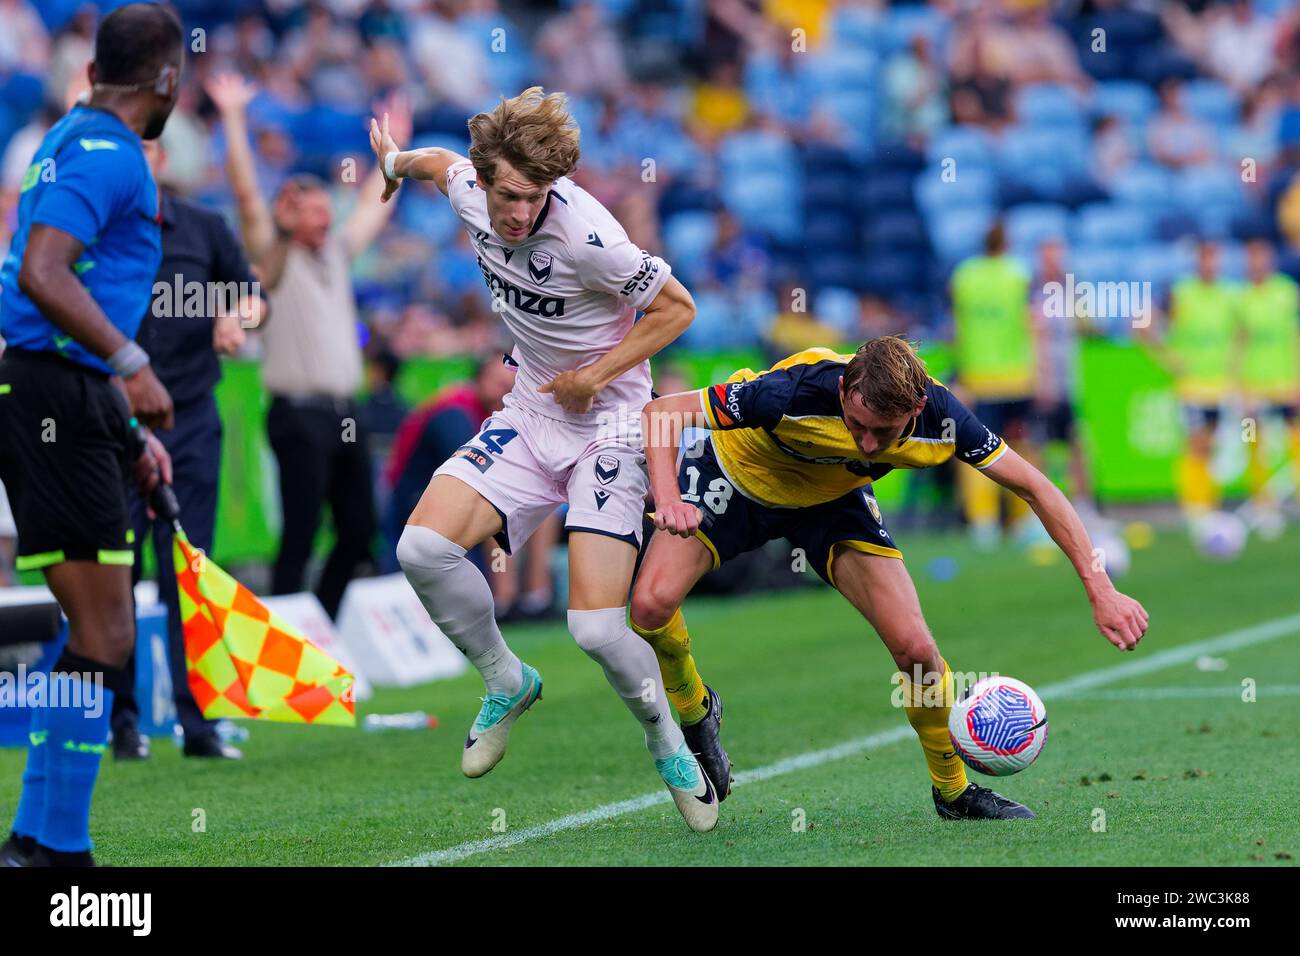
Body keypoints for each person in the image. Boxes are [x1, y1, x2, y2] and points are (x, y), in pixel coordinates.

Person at [370, 87, 715, 830]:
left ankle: (665, 739)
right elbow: (438, 163)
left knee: (593, 630)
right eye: (509, 195)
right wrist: (394, 162)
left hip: (613, 424)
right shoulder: (471, 189)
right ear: (486, 177)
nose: (519, 213)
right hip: (531, 413)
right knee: (422, 548)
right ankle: (505, 678)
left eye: (533, 198)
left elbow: (679, 308)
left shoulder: (592, 238)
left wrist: (596, 374)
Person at [629, 337, 1150, 819]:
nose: (870, 444)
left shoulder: (944, 417)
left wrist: (1100, 588)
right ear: (844, 390)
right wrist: (670, 499)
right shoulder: (788, 391)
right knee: (650, 606)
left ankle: (953, 790)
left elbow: (1038, 488)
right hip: (737, 475)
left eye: (887, 432)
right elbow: (660, 414)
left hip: (831, 500)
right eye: (859, 425)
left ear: (917, 410)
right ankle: (696, 710)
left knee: (917, 650)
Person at [0, 3, 184, 867]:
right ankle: (54, 849)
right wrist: (132, 364)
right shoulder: (111, 153)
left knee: (93, 630)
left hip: (70, 394)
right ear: (168, 79)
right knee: (104, 633)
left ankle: (39, 840)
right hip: (54, 392)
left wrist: (121, 416)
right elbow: (41, 272)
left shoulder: (72, 136)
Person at [206, 72, 410, 619]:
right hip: (298, 415)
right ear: (288, 214)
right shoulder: (274, 262)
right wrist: (231, 117)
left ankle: (318, 625)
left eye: (324, 207)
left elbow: (373, 204)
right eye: (311, 208)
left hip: (346, 412)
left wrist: (397, 149)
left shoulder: (335, 255)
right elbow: (247, 197)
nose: (323, 215)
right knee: (299, 534)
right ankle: (287, 637)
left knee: (359, 532)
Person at [110, 138, 268, 763]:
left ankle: (197, 722)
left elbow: (258, 296)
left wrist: (238, 315)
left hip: (193, 421)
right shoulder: (88, 235)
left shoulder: (204, 227)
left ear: (160, 160)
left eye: (146, 148)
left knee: (190, 570)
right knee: (116, 573)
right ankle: (122, 724)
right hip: (115, 427)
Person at [950, 221, 1038, 548]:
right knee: (1021, 449)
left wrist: (961, 374)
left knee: (975, 450)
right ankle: (1023, 520)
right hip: (1016, 376)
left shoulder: (964, 276)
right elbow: (1031, 324)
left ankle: (982, 522)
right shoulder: (1019, 274)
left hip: (978, 377)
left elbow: (956, 327)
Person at [1162, 240, 1239, 519]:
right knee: (1196, 443)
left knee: (1215, 445)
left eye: (1214, 259)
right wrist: (1167, 357)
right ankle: (1194, 507)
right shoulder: (1182, 292)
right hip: (1192, 386)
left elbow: (1241, 333)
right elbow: (1143, 322)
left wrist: (1235, 368)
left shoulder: (1229, 295)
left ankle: (1210, 505)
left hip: (1220, 385)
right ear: (1197, 262)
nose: (1210, 264)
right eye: (1205, 259)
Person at [1237, 239, 1300, 517]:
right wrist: (1239, 387)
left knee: (1294, 439)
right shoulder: (1240, 298)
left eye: (1261, 258)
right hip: (1254, 385)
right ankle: (1262, 502)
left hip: (1285, 382)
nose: (1257, 264)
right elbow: (1237, 343)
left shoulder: (1286, 292)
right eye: (1252, 259)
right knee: (1252, 440)